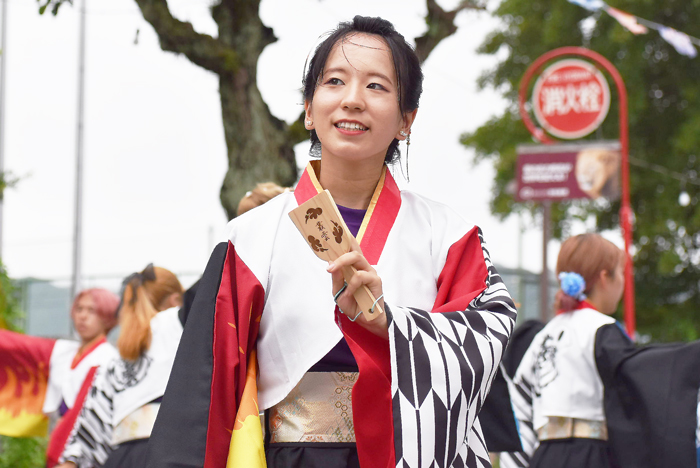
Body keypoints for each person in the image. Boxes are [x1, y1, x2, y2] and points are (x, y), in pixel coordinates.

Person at [147, 16, 516, 468]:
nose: (352, 100)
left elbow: (485, 341)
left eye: (377, 86)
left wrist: (389, 327)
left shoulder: (450, 235)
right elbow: (203, 395)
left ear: (406, 120)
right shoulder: (250, 238)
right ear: (308, 108)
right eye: (335, 81)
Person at [506, 233, 700, 468]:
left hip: (545, 457)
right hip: (590, 456)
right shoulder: (601, 329)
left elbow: (518, 402)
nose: (623, 282)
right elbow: (641, 384)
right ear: (605, 277)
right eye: (621, 273)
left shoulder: (543, 336)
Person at [55, 264, 184, 468]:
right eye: (79, 309)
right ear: (176, 301)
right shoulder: (185, 340)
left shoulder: (112, 365)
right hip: (180, 455)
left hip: (122, 459)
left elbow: (87, 441)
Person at [0, 288, 120, 467]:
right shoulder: (64, 351)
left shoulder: (108, 359)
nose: (83, 316)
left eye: (91, 311)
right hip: (59, 440)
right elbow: (18, 346)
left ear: (108, 316)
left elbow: (90, 415)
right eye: (79, 309)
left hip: (85, 448)